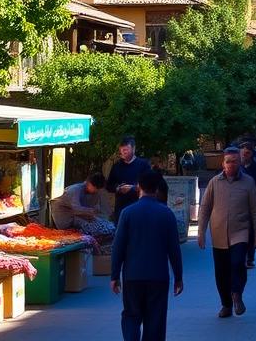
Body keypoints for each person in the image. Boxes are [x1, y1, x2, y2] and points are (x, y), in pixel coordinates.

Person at [110, 171, 183, 341]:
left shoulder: (127, 213)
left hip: (132, 276)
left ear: (139, 187)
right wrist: (178, 276)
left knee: (131, 316)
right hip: (158, 276)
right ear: (157, 189)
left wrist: (114, 275)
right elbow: (174, 249)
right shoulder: (166, 214)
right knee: (155, 320)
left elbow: (118, 246)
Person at [197, 148, 256, 318]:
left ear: (240, 162)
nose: (231, 164)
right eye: (228, 161)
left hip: (240, 232)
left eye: (234, 161)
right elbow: (205, 209)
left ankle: (237, 294)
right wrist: (201, 232)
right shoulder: (214, 182)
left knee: (237, 263)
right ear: (223, 164)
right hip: (218, 234)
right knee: (221, 272)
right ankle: (226, 304)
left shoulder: (248, 182)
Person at [50, 172, 115, 237]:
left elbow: (94, 208)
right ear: (89, 183)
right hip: (64, 216)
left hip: (80, 215)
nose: (96, 191)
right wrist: (92, 211)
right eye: (95, 188)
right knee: (93, 228)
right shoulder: (74, 190)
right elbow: (77, 210)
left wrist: (93, 213)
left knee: (108, 226)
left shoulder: (94, 192)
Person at [107, 136, 150, 224]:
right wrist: (118, 188)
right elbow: (109, 185)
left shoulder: (143, 165)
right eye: (122, 150)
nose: (124, 153)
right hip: (120, 209)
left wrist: (133, 188)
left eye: (126, 150)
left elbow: (150, 185)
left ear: (133, 149)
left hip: (138, 207)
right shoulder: (117, 166)